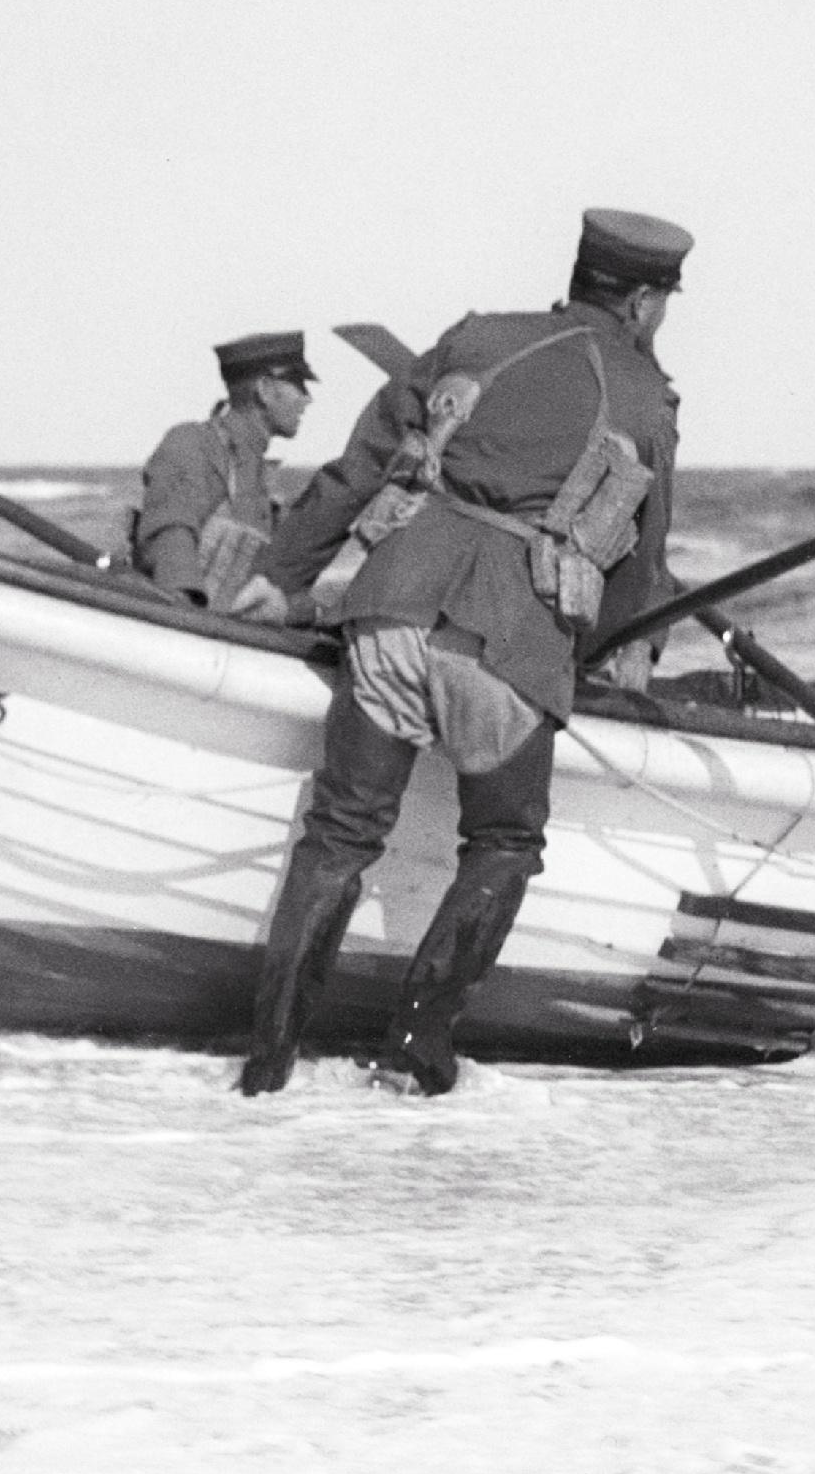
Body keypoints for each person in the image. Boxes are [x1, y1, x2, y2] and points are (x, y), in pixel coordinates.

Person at [233, 208, 690, 1096]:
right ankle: (415, 1050)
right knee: (506, 840)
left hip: (392, 606)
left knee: (337, 836)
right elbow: (642, 559)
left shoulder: (478, 338)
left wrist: (284, 576)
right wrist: (600, 658)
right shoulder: (643, 394)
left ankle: (268, 1067)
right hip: (511, 642)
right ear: (641, 301)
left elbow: (361, 463)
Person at [130, 330, 317, 615]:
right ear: (265, 389)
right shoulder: (194, 443)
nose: (307, 398)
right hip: (187, 627)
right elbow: (171, 529)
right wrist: (185, 607)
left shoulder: (261, 477)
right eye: (298, 384)